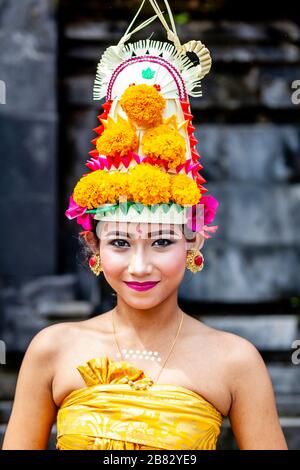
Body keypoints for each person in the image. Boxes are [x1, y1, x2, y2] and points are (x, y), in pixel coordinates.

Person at [2, 0, 288, 451]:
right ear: (94, 248)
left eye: (161, 241)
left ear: (193, 242)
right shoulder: (52, 350)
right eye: (119, 242)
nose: (139, 266)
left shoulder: (236, 361)